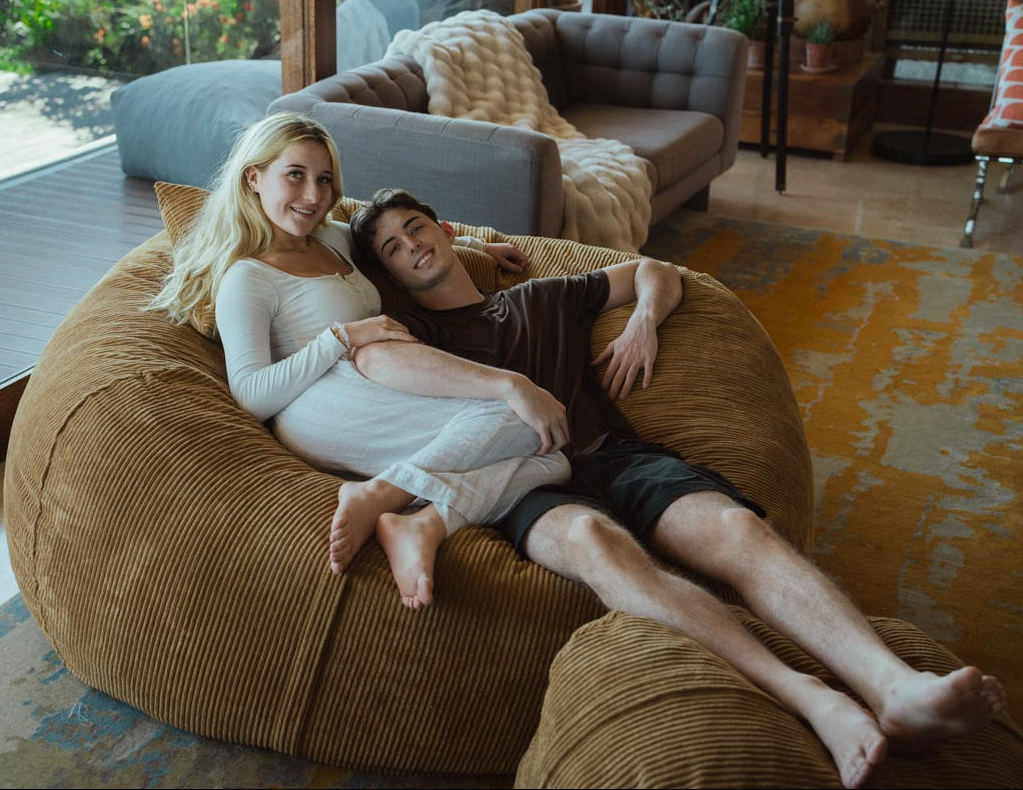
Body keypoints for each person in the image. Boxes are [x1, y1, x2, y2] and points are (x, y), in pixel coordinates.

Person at [347, 188, 1008, 790]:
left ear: (445, 226)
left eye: (416, 227)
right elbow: (371, 358)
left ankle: (893, 686)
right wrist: (508, 387)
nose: (413, 247)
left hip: (615, 456)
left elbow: (653, 272)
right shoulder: (416, 335)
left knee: (735, 528)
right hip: (519, 486)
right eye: (393, 248)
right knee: (592, 542)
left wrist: (643, 323)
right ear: (388, 273)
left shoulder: (538, 297)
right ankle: (812, 698)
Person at [146, 112, 575, 610]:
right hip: (317, 405)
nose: (313, 196)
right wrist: (341, 337)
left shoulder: (328, 237)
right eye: (295, 175)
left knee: (555, 458)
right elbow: (250, 395)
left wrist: (475, 247)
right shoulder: (249, 278)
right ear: (253, 177)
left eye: (324, 180)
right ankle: (377, 496)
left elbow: (392, 240)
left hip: (375, 384)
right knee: (519, 415)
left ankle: (422, 521)